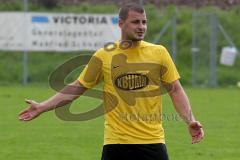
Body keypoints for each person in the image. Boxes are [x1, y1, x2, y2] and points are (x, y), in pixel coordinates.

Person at [19, 3, 204, 160]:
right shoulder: (104, 55)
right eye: (135, 22)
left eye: (144, 22)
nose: (141, 27)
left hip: (153, 142)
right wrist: (43, 107)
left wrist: (190, 120)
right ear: (121, 24)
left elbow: (175, 90)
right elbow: (77, 87)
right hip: (116, 143)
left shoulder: (159, 53)